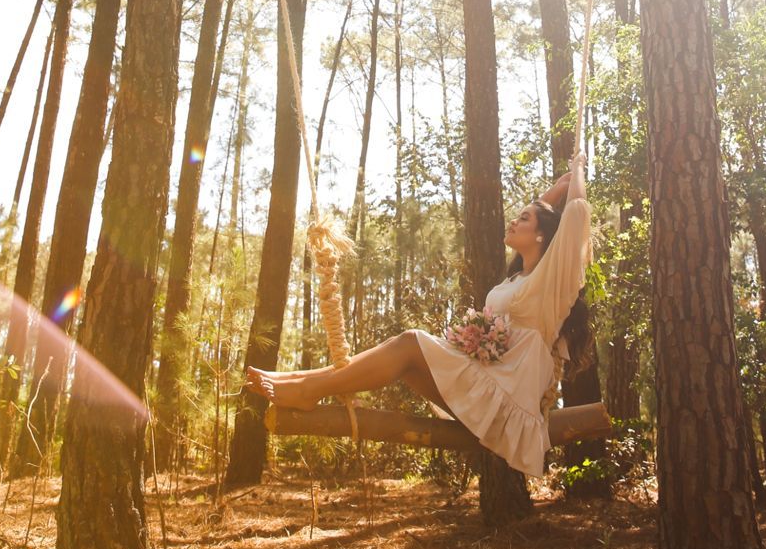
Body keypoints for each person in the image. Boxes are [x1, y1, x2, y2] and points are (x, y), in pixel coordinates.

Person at [246, 149, 592, 478]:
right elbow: (548, 218)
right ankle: (300, 381)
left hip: (505, 403)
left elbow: (575, 217)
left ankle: (308, 389)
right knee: (409, 362)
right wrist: (555, 190)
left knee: (410, 343)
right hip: (484, 390)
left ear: (543, 236)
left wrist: (577, 171)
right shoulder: (517, 280)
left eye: (524, 219)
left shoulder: (551, 287)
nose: (514, 221)